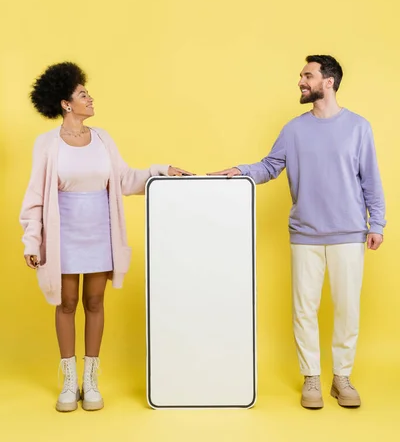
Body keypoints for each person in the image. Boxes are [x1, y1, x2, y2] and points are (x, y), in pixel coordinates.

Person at [209, 55, 386, 409]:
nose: (301, 81)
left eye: (308, 75)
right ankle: (311, 379)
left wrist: (377, 223)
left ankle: (342, 377)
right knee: (304, 309)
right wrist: (241, 171)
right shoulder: (294, 130)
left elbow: (371, 180)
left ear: (329, 81)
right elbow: (270, 165)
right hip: (305, 233)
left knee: (347, 309)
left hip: (349, 233)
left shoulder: (358, 127)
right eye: (302, 76)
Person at [20, 61, 192, 413]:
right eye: (83, 94)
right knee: (66, 303)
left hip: (99, 232)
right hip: (63, 233)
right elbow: (35, 196)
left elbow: (125, 179)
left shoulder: (102, 139)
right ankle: (69, 382)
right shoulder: (47, 144)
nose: (90, 98)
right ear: (66, 104)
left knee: (95, 303)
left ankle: (91, 380)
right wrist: (31, 240)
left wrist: (161, 171)